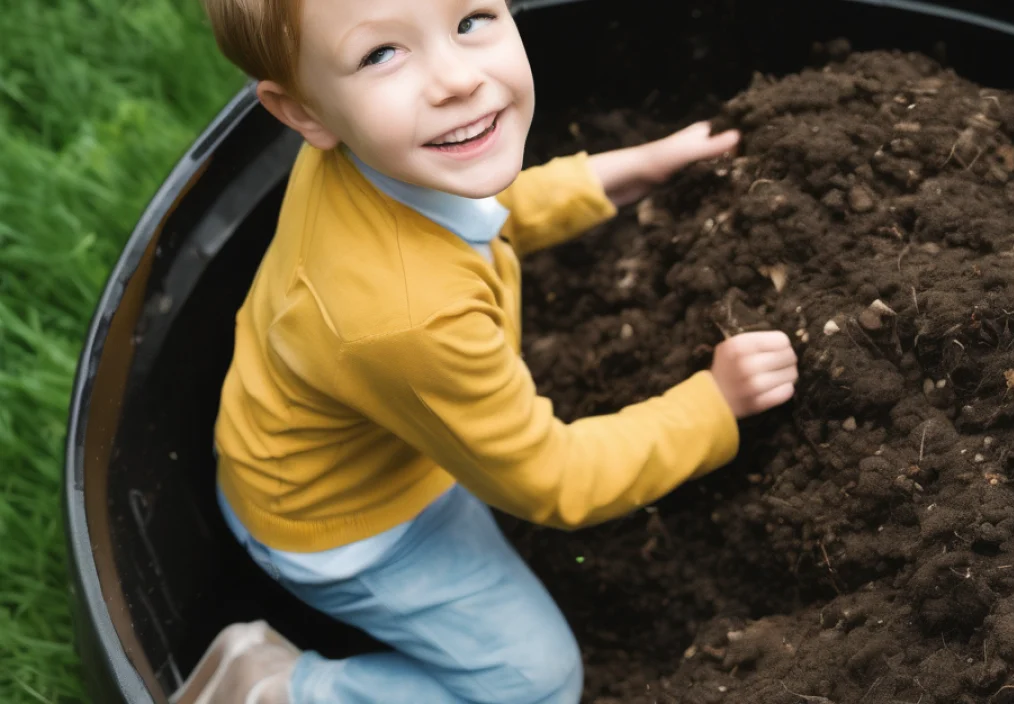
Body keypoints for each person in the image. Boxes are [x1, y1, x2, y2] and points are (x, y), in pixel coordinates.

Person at [176, 0, 799, 701]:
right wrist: (713, 403)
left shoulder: (379, 153)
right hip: (353, 529)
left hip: (351, 448)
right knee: (537, 684)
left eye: (471, 19)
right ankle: (276, 689)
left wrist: (630, 171)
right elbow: (555, 481)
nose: (456, 79)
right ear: (303, 114)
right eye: (380, 54)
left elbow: (489, 215)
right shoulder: (407, 320)